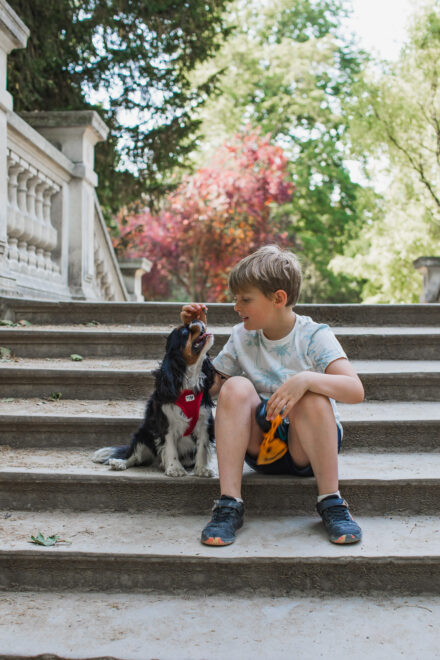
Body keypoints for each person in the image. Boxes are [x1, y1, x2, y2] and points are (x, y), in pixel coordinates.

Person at [180, 245, 364, 546]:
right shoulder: (242, 335)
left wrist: (305, 379)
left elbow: (355, 390)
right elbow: (210, 388)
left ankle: (332, 501)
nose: (236, 307)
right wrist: (193, 342)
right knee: (234, 386)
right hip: (261, 446)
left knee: (312, 394)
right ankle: (229, 503)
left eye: (245, 299)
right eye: (235, 299)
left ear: (278, 298)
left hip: (308, 447)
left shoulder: (314, 335)